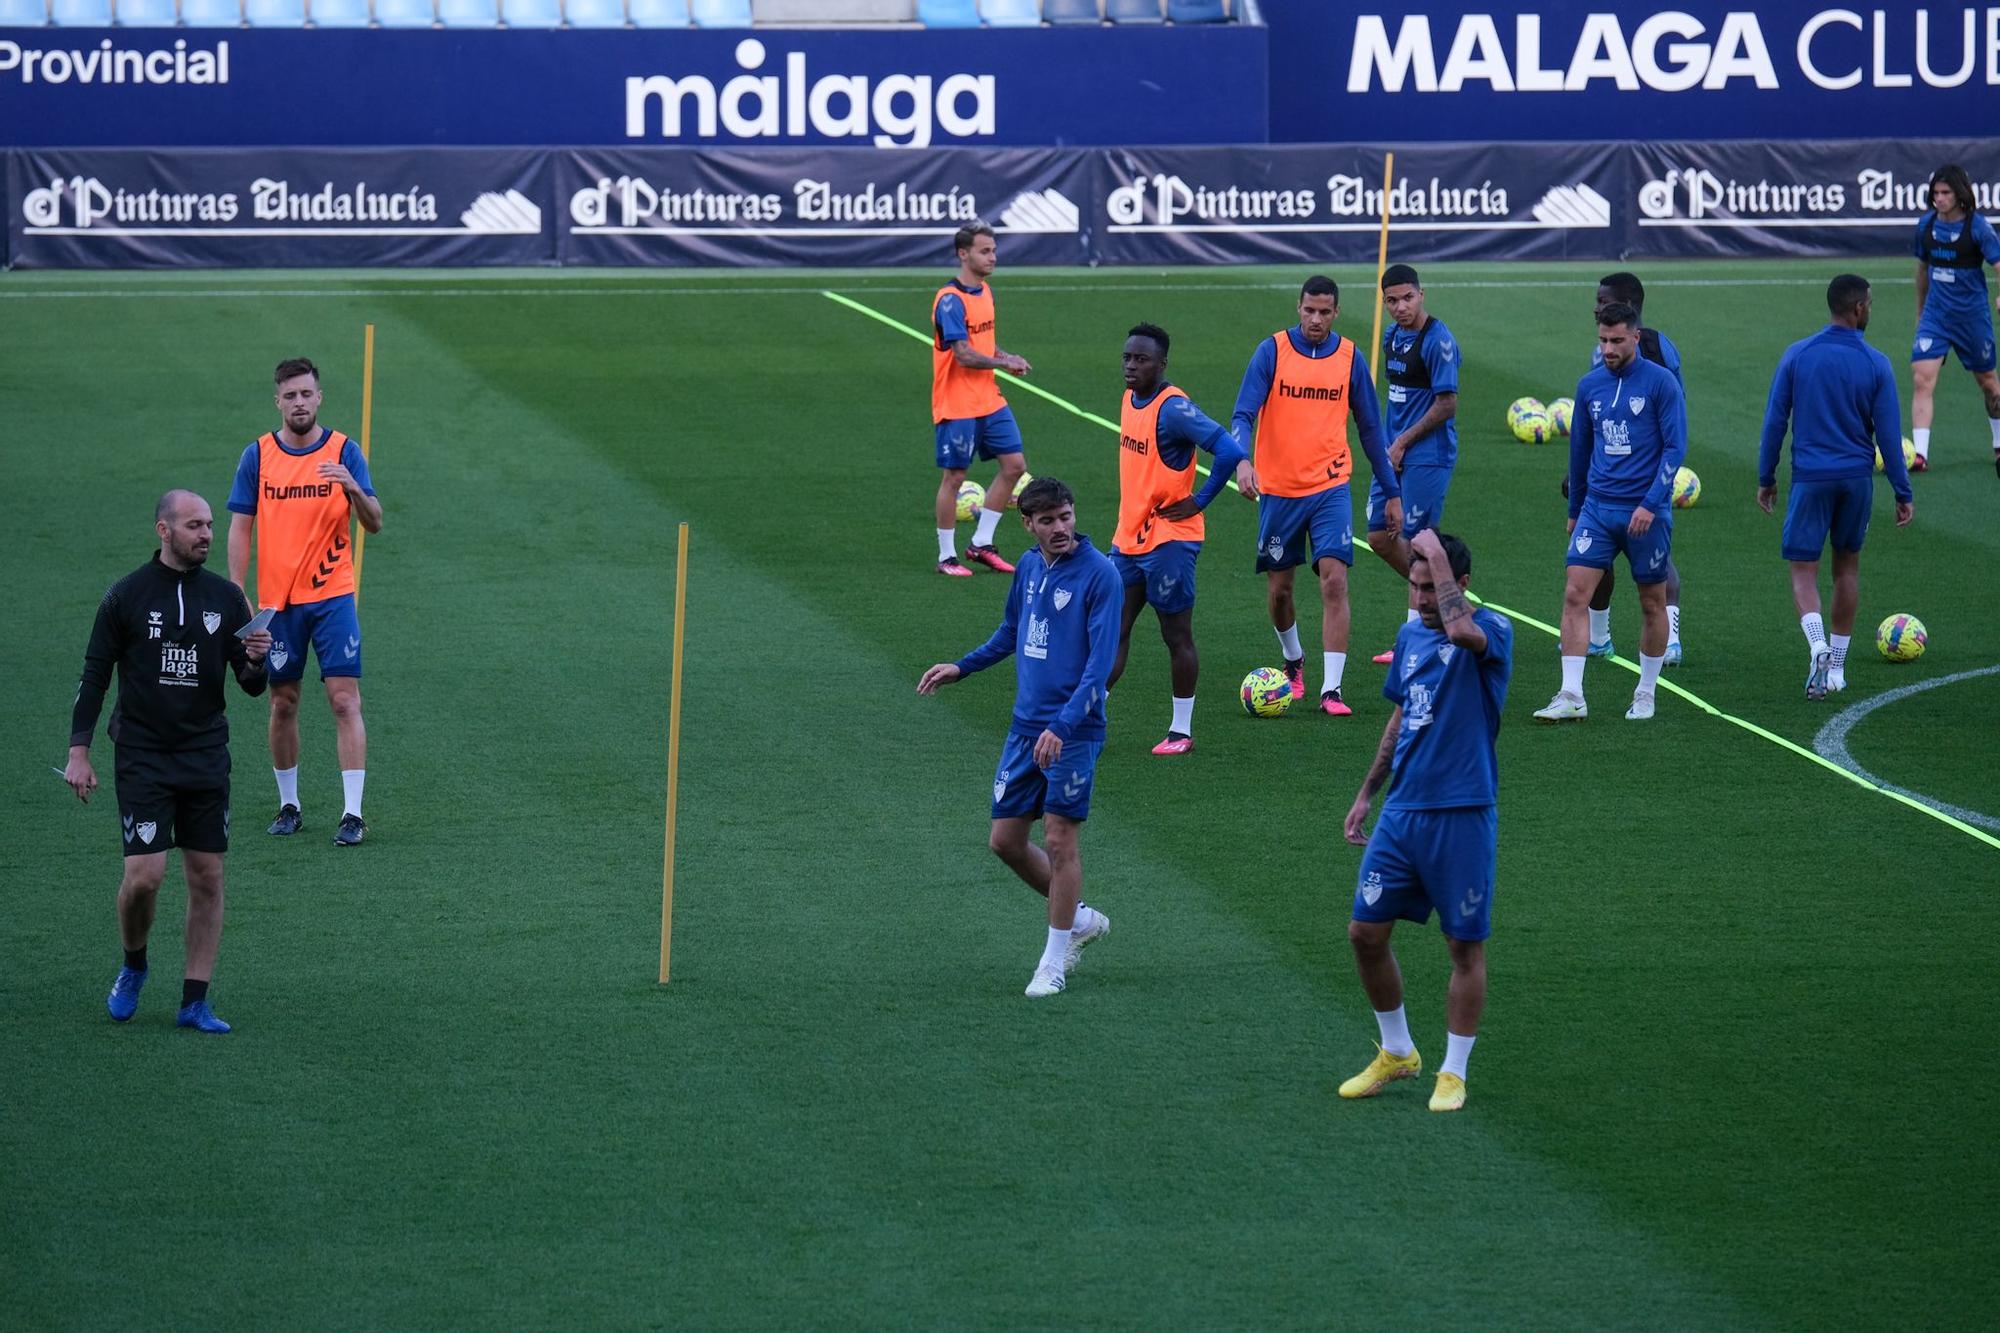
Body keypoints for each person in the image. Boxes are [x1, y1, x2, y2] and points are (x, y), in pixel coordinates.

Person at [66, 491, 272, 1033]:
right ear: (164, 530)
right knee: (145, 877)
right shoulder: (125, 597)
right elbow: (94, 676)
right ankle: (134, 964)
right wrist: (78, 753)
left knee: (207, 877)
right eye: (194, 526)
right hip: (144, 754)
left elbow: (251, 686)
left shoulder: (228, 599)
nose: (206, 534)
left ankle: (194, 1001)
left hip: (205, 754)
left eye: (210, 525)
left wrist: (256, 661)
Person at [917, 478, 1121, 998]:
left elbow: (1098, 671)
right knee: (1005, 842)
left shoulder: (1101, 575)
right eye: (1048, 520)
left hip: (1073, 729)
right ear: (1027, 524)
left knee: (1059, 838)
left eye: (1066, 517)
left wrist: (1062, 725)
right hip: (1026, 725)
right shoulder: (1030, 567)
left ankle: (1053, 961)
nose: (1060, 528)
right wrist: (962, 666)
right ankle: (1076, 920)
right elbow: (1012, 632)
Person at [1338, 530, 1511, 1114]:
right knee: (1365, 933)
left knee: (1463, 945)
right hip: (1403, 812)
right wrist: (1367, 791)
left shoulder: (1492, 633)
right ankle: (1398, 1052)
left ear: (1458, 585)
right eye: (1412, 587)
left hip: (1462, 813)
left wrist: (1436, 552)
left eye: (1429, 588)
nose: (1418, 600)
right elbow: (1399, 717)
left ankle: (1454, 1072)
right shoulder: (1410, 634)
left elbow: (1463, 631)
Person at [226, 357, 382, 847]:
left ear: (319, 398)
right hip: (279, 603)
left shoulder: (344, 451)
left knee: (343, 700)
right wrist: (238, 594)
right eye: (290, 395)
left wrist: (352, 485)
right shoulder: (258, 456)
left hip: (333, 595)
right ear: (278, 401)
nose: (299, 403)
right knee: (282, 701)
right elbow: (240, 526)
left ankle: (352, 814)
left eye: (306, 394)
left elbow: (374, 522)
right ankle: (289, 804)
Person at [1230, 275, 1400, 716]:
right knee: (1281, 591)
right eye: (1309, 310)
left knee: (1334, 578)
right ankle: (1293, 661)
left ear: (1336, 313)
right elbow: (1243, 412)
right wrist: (1241, 460)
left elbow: (1369, 428)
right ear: (1298, 307)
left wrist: (1392, 492)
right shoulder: (1272, 351)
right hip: (1280, 492)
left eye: (1325, 312)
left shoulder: (1348, 357)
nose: (1316, 319)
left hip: (1330, 486)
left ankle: (1332, 690)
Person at [1758, 274, 1915, 698]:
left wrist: (1766, 477)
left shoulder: (1798, 355)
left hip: (1811, 478)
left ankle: (1817, 646)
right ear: (1859, 308)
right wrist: (1903, 492)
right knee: (1846, 569)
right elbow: (1889, 435)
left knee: (1802, 573)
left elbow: (1776, 422)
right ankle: (1838, 670)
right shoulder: (1875, 361)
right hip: (1855, 480)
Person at [1534, 302, 1687, 724]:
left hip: (1646, 514)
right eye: (1602, 340)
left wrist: (1651, 503)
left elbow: (1675, 448)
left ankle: (1645, 691)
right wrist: (1574, 508)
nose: (1608, 348)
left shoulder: (1661, 385)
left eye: (1617, 340)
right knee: (1574, 594)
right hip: (1598, 510)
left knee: (1652, 602)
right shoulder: (1589, 386)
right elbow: (1580, 450)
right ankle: (1571, 694)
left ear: (1636, 337)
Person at [1105, 322, 1253, 756]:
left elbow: (1228, 449)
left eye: (1142, 359)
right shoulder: (1129, 398)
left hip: (1170, 540)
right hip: (1129, 536)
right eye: (1127, 358)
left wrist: (1200, 500)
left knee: (1175, 635)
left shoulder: (1174, 409)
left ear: (1162, 364)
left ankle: (1181, 731)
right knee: (1113, 629)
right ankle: (1089, 712)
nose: (1131, 366)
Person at [1580, 272, 1690, 665]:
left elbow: (1673, 412)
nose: (1595, 306)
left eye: (1602, 298)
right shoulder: (1608, 346)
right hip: (1606, 471)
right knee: (1596, 558)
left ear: (1627, 303)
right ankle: (1598, 637)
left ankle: (1671, 639)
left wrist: (1659, 468)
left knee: (1657, 562)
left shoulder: (1657, 348)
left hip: (1647, 473)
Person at [1365, 263, 1460, 665]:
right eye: (1392, 300)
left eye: (1408, 298)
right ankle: (1446, 596)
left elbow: (1447, 403)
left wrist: (1403, 441)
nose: (1401, 306)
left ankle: (1417, 638)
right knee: (1379, 535)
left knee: (1419, 541)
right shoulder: (1391, 336)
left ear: (1422, 294)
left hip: (1426, 456)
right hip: (1393, 454)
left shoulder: (1438, 341)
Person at [931, 220, 1032, 577]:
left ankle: (981, 543)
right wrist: (1004, 364)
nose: (993, 257)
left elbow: (983, 346)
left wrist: (1004, 358)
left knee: (1015, 466)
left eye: (994, 250)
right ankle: (946, 556)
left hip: (989, 399)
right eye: (985, 251)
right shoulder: (949, 301)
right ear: (963, 254)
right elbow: (963, 354)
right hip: (957, 403)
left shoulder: (985, 292)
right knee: (955, 477)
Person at [1907, 164, 2000, 475]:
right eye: (1935, 193)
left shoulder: (1978, 228)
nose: (1939, 198)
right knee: (1921, 378)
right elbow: (1922, 272)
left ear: (1960, 195)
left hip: (1972, 318)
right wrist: (1921, 313)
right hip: (1936, 317)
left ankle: (1999, 443)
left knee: (1988, 384)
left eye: (1945, 193)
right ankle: (1920, 454)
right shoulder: (1926, 226)